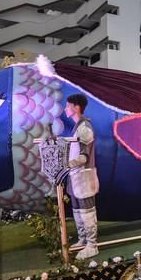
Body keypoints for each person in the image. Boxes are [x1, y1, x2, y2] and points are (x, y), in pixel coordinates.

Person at [64, 93, 100, 260]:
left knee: (86, 211)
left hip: (84, 176)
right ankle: (83, 239)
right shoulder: (77, 126)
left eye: (68, 105)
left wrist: (68, 164)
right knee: (77, 209)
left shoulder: (84, 128)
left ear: (76, 107)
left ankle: (92, 245)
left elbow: (84, 157)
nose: (65, 109)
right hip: (75, 176)